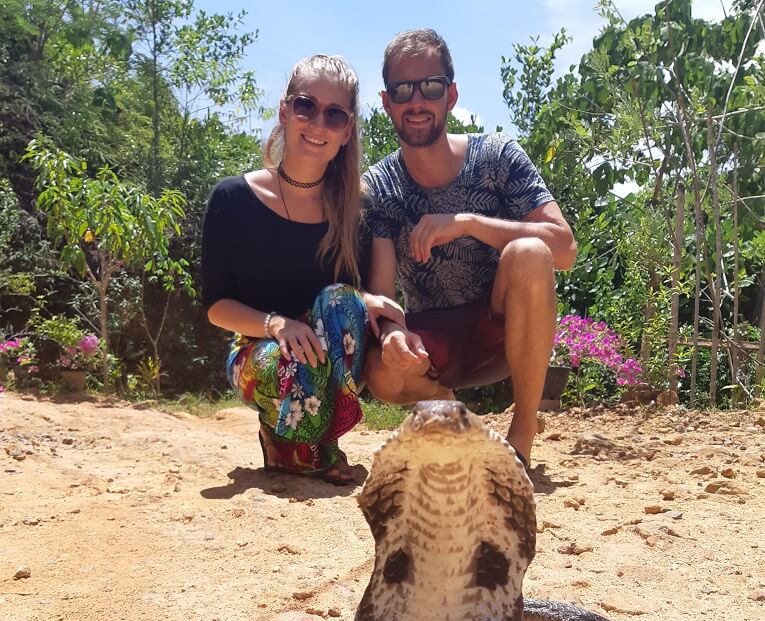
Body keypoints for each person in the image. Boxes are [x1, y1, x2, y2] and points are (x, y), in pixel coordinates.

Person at [361, 29, 577, 470]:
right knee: (379, 370)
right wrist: (392, 336)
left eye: (431, 86)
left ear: (451, 95)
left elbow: (565, 249)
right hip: (431, 350)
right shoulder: (379, 185)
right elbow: (382, 297)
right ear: (387, 103)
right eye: (403, 89)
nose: (417, 100)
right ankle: (445, 402)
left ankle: (521, 435)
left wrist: (470, 224)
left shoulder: (497, 156)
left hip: (500, 334)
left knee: (532, 252)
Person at [201, 54, 402, 484]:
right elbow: (217, 307)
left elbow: (374, 308)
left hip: (334, 359)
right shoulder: (233, 198)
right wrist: (276, 324)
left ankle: (303, 442)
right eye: (306, 106)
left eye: (335, 114)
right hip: (260, 354)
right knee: (290, 356)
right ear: (285, 110)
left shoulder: (362, 209)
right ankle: (310, 446)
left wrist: (363, 301)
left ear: (348, 130)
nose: (318, 124)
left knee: (341, 299)